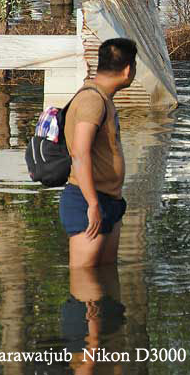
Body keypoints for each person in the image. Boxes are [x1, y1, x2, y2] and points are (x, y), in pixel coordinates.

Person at [60, 38, 137, 267]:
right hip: (87, 202)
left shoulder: (104, 98)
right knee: (86, 286)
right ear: (127, 69)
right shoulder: (92, 100)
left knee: (105, 282)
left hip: (108, 200)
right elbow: (80, 153)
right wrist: (93, 204)